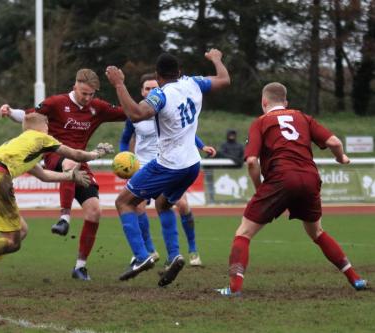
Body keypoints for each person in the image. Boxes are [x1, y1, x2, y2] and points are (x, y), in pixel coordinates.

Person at [216, 82, 367, 296]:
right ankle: (356, 278)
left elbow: (251, 161)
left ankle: (234, 289)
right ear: (286, 102)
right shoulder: (303, 117)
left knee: (244, 232)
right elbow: (334, 142)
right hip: (310, 177)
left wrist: (260, 188)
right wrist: (341, 158)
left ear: (264, 102)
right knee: (317, 232)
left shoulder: (260, 122)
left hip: (280, 178)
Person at [106, 49, 230, 287]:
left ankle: (143, 257)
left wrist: (119, 84)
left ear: (157, 75)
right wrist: (216, 59)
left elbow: (135, 113)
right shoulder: (193, 83)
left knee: (123, 202)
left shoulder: (161, 95)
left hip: (168, 164)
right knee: (164, 204)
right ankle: (175, 256)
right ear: (179, 72)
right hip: (192, 164)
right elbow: (224, 79)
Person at [0, 113, 114, 286]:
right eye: (47, 124)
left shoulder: (21, 144)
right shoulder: (42, 138)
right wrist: (96, 153)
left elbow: (43, 175)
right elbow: (76, 154)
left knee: (21, 231)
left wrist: (70, 177)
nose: (49, 129)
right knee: (13, 242)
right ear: (42, 126)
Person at [0, 68, 126, 280]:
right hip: (55, 157)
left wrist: (151, 106)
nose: (87, 98)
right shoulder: (56, 103)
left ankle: (80, 267)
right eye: (83, 93)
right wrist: (10, 111)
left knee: (95, 211)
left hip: (80, 160)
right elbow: (30, 116)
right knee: (70, 163)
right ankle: (64, 218)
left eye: (91, 94)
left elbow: (128, 112)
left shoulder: (97, 108)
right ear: (75, 85)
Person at [118, 73, 217, 267]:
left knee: (182, 205)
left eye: (154, 87)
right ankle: (150, 251)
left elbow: (184, 132)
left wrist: (201, 146)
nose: (151, 91)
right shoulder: (137, 115)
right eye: (147, 88)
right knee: (136, 205)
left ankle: (193, 250)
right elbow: (124, 139)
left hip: (168, 164)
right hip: (144, 166)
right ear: (141, 91)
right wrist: (125, 158)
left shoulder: (167, 103)